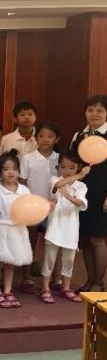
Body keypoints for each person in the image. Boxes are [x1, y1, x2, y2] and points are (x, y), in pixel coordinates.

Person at [40, 151, 89, 303]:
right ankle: (45, 288)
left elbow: (81, 203)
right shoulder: (55, 179)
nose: (66, 171)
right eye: (63, 167)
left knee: (69, 260)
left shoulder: (81, 186)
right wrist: (79, 174)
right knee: (49, 258)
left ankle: (66, 288)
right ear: (58, 167)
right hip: (55, 227)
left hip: (71, 228)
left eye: (71, 167)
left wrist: (69, 197)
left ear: (78, 167)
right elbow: (57, 185)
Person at [19, 121, 60, 293]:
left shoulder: (59, 159)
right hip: (32, 207)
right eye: (41, 136)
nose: (45, 139)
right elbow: (22, 183)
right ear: (36, 138)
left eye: (50, 136)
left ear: (57, 139)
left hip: (54, 207)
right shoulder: (27, 158)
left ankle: (55, 278)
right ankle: (27, 277)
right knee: (30, 241)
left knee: (54, 243)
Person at [71, 95, 107, 293]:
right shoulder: (79, 135)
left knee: (98, 239)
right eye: (90, 110)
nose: (94, 114)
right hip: (81, 195)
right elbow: (72, 163)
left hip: (102, 194)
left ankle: (99, 283)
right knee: (85, 239)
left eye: (100, 110)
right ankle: (89, 280)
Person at [0, 150, 32, 309]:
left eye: (14, 168)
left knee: (10, 263)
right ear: (0, 173)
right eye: (6, 169)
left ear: (19, 171)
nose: (11, 172)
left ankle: (7, 290)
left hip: (18, 229)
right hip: (1, 228)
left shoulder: (24, 190)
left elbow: (29, 209)